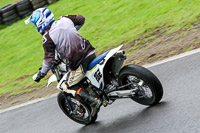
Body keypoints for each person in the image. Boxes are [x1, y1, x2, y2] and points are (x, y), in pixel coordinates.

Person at [25, 8, 101, 114]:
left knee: (67, 86)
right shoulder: (65, 19)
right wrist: (71, 31)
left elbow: (48, 59)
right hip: (90, 51)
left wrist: (41, 74)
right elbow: (81, 19)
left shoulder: (47, 38)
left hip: (78, 61)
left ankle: (94, 101)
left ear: (40, 22)